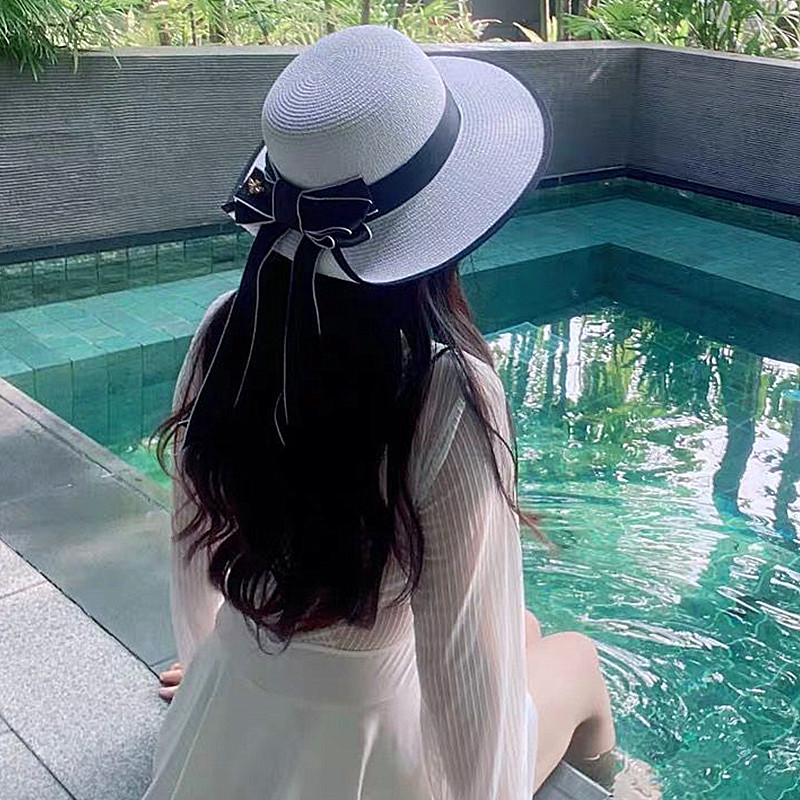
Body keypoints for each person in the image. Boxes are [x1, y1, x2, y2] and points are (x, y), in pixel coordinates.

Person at [144, 24, 638, 800]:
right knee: (575, 658)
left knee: (524, 627)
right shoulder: (444, 393)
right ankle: (625, 784)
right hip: (371, 747)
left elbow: (189, 541)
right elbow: (468, 681)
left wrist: (209, 656)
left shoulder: (224, 333)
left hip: (235, 695)